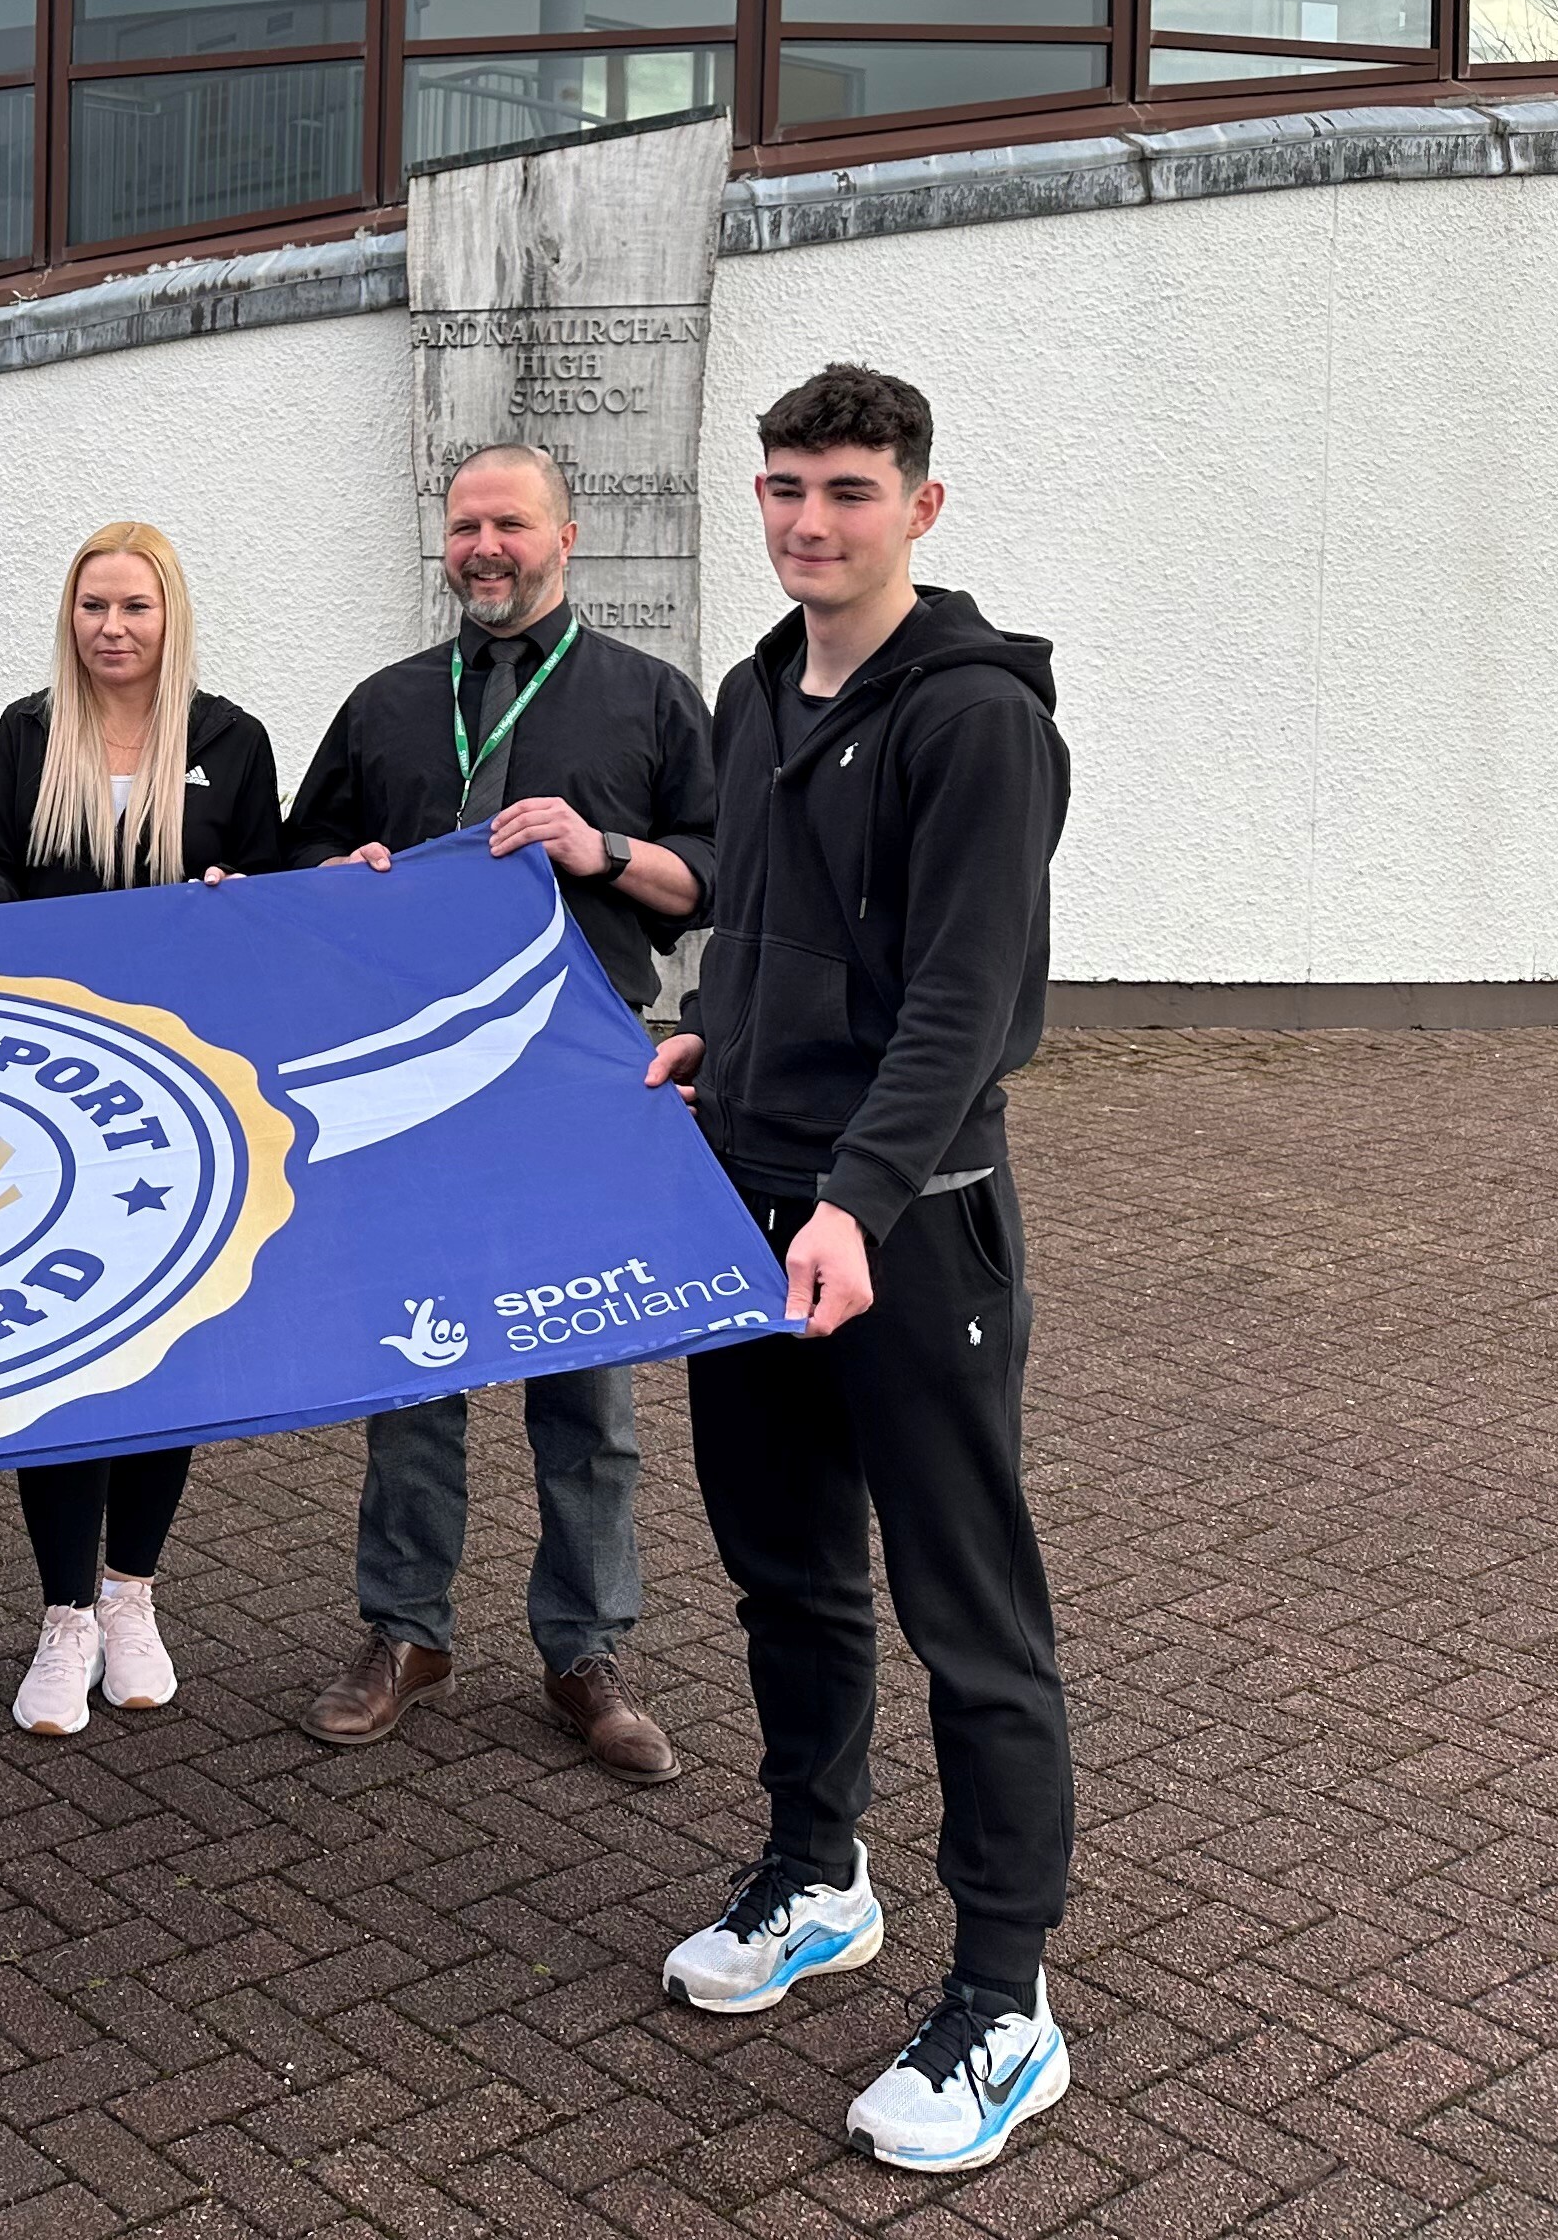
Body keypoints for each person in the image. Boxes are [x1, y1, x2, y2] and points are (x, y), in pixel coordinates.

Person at [643, 363, 1078, 2176]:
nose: (805, 518)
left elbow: (963, 997)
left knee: (969, 1616)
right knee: (784, 1575)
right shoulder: (755, 690)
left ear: (920, 503)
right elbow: (763, 910)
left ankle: (1006, 1994)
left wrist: (857, 1193)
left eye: (842, 487)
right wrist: (710, 1044)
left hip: (900, 1223)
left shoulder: (973, 719)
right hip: (743, 1200)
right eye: (780, 487)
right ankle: (817, 1871)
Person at [281, 442, 715, 1774]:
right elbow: (297, 858)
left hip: (580, 1090)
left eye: (509, 524)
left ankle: (586, 1651)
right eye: (466, 524)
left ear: (565, 537)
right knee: (416, 1368)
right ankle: (405, 1630)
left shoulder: (649, 700)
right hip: (413, 1090)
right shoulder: (386, 703)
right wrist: (337, 872)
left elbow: (723, 874)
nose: (485, 546)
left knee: (587, 1382)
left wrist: (609, 849)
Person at [0, 520, 285, 1737]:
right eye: (94, 605)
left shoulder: (233, 740)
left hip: (188, 1097)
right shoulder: (29, 731)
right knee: (64, 1351)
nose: (112, 627)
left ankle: (132, 1591)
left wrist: (237, 899)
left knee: (164, 1350)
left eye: (135, 607)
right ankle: (62, 1619)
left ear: (169, 615)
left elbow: (269, 878)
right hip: (57, 1094)